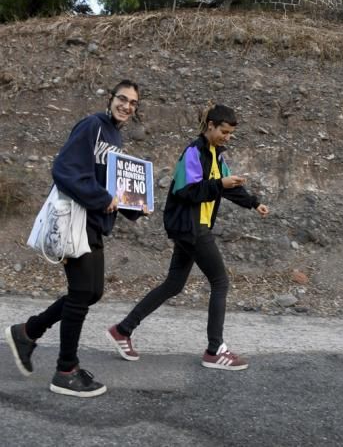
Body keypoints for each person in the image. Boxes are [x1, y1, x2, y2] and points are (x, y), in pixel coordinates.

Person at [5, 79, 148, 397]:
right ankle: (65, 370)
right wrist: (99, 197)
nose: (126, 105)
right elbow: (65, 169)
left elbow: (112, 186)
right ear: (110, 99)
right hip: (77, 219)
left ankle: (28, 332)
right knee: (82, 291)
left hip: (94, 222)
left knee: (92, 292)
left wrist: (137, 207)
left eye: (132, 103)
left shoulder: (116, 136)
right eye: (121, 99)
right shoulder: (92, 125)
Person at [106, 103, 269, 370]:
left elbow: (227, 188)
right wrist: (220, 185)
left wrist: (253, 202)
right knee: (220, 282)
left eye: (230, 134)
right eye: (224, 132)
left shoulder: (217, 155)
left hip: (193, 227)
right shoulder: (194, 152)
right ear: (210, 126)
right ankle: (215, 350)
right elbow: (187, 191)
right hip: (190, 227)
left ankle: (123, 330)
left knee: (174, 284)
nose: (227, 137)